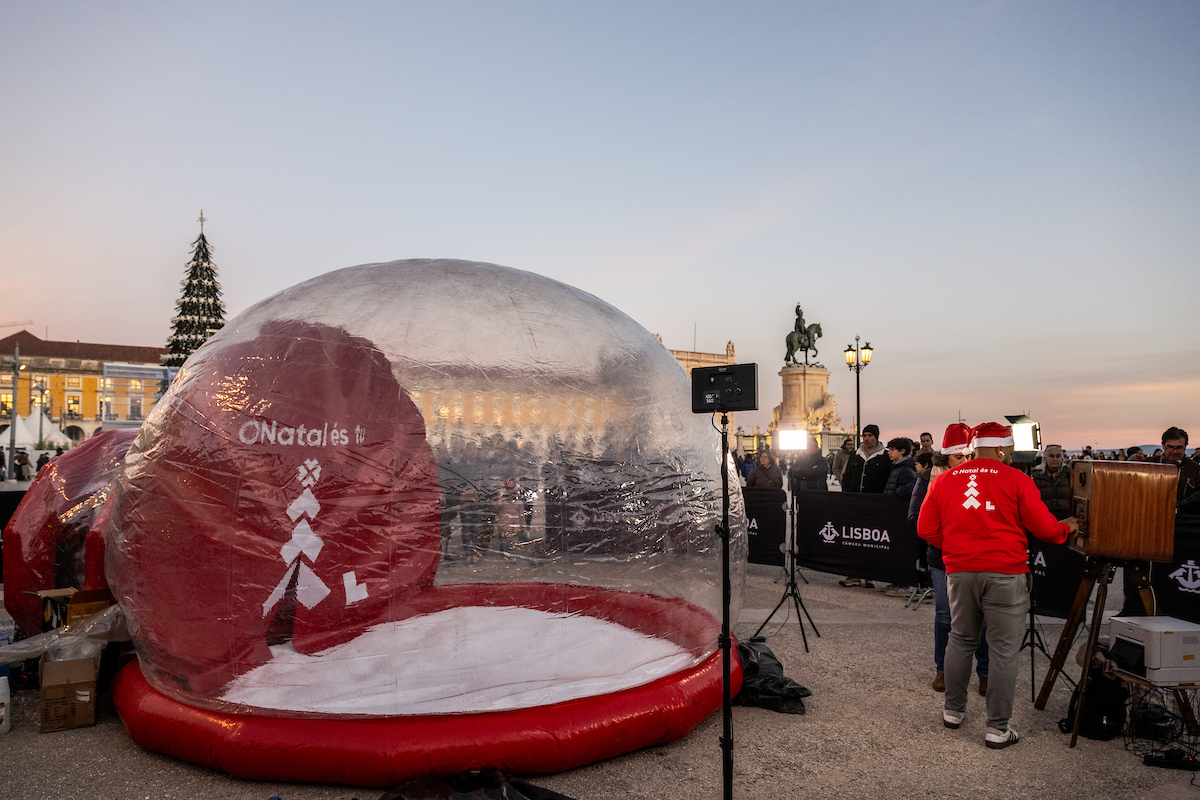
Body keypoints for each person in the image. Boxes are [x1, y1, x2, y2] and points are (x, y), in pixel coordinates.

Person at [918, 422, 1077, 749]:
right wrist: (1066, 528)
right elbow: (1045, 528)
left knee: (960, 640)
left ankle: (953, 711)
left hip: (960, 571)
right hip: (1006, 571)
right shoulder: (1017, 479)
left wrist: (954, 546)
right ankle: (997, 728)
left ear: (974, 447)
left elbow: (924, 527)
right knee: (1004, 649)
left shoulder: (946, 479)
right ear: (1003, 449)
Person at [915, 424, 989, 695]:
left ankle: (984, 673)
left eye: (969, 457)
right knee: (946, 615)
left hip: (974, 558)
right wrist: (951, 540)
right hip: (942, 558)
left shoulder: (980, 479)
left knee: (979, 617)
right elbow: (917, 518)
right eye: (959, 458)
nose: (965, 463)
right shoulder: (928, 480)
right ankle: (943, 670)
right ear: (946, 457)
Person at [841, 424, 891, 493]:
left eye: (870, 435)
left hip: (876, 498)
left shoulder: (885, 456)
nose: (866, 438)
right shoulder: (855, 455)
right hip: (855, 498)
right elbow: (847, 476)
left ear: (876, 437)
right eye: (864, 435)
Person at [1160, 427, 1200, 511]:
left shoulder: (1195, 468)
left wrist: (1182, 505)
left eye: (1179, 447)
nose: (1175, 451)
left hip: (1183, 518)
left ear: (1185, 447)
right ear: (1163, 446)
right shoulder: (1149, 465)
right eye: (1170, 447)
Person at [1031, 445, 1071, 518]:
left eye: (1058, 456)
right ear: (1045, 458)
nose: (1055, 459)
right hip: (1044, 514)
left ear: (1062, 459)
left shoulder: (1070, 474)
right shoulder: (1037, 476)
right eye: (1051, 456)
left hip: (1065, 514)